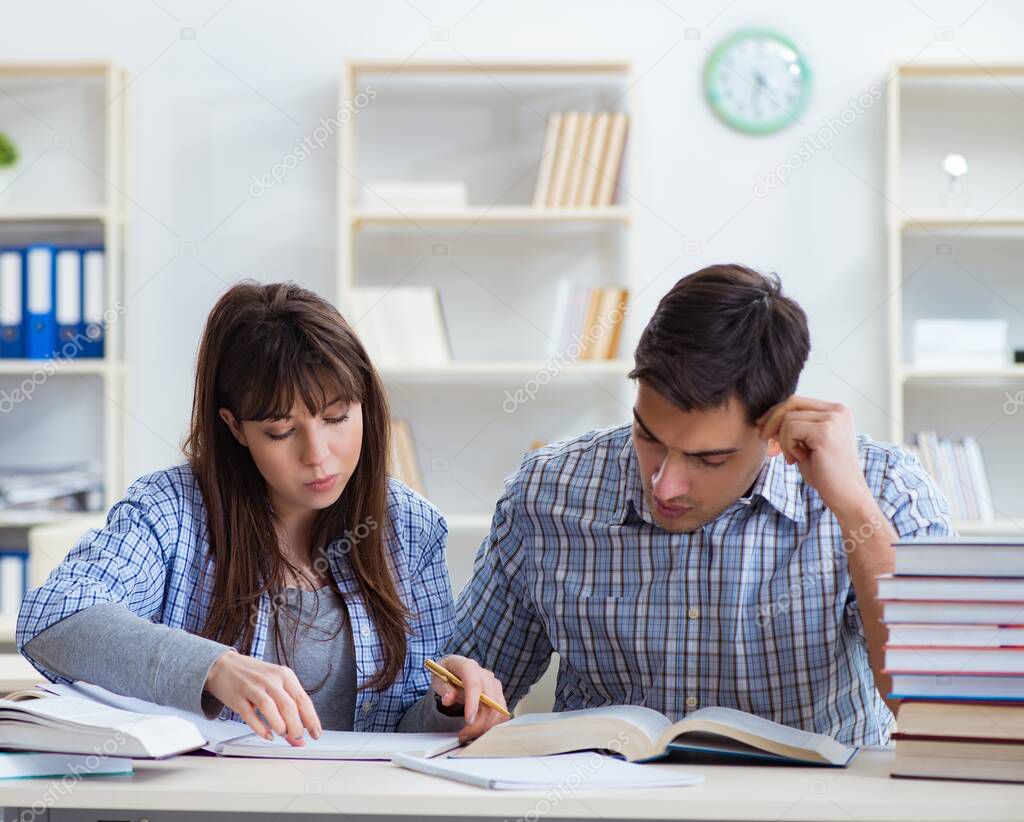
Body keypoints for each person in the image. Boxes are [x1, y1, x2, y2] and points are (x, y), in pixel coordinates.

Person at [449, 263, 951, 746]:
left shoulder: (885, 489)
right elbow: (456, 699)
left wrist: (855, 510)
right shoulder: (547, 494)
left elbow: (934, 705)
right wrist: (458, 691)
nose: (665, 486)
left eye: (708, 459)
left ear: (774, 434)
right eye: (647, 437)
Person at [18, 281, 507, 745]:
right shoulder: (171, 511)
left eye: (337, 418)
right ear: (234, 427)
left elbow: (403, 733)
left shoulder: (409, 528)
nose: (318, 454)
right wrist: (214, 669)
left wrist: (448, 708)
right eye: (280, 431)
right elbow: (51, 617)